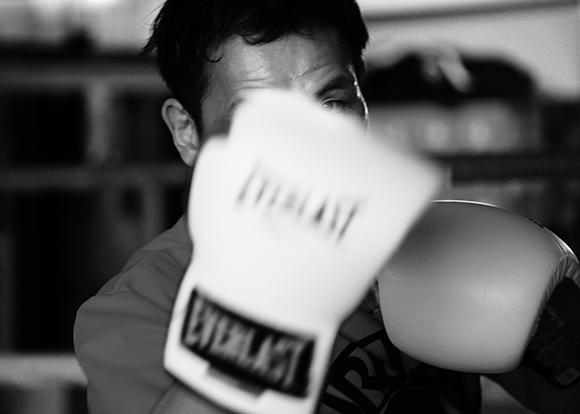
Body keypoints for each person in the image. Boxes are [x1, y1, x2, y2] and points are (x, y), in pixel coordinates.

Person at [73, 1, 580, 413]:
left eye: (332, 104)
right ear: (188, 133)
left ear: (362, 97)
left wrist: (559, 329)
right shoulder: (138, 309)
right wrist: (264, 316)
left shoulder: (426, 244)